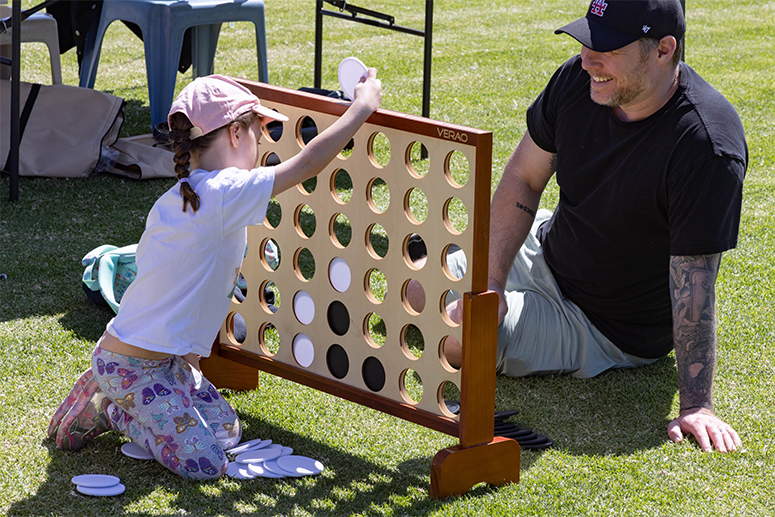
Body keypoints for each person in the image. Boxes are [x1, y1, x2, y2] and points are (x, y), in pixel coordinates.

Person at [441, 0, 746, 453]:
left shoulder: (706, 146)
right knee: (416, 289)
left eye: (606, 47)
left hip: (602, 324)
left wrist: (696, 405)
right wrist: (490, 286)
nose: (587, 58)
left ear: (663, 49)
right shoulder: (577, 80)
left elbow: (695, 281)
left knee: (451, 338)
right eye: (586, 39)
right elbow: (525, 177)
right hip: (550, 248)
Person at [47, 72, 382, 479]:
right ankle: (113, 410)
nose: (261, 145)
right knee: (206, 464)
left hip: (163, 362)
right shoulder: (225, 191)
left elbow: (184, 291)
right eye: (259, 132)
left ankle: (131, 397)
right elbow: (309, 163)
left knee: (228, 432)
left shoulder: (191, 193)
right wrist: (362, 107)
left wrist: (189, 365)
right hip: (130, 366)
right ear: (237, 133)